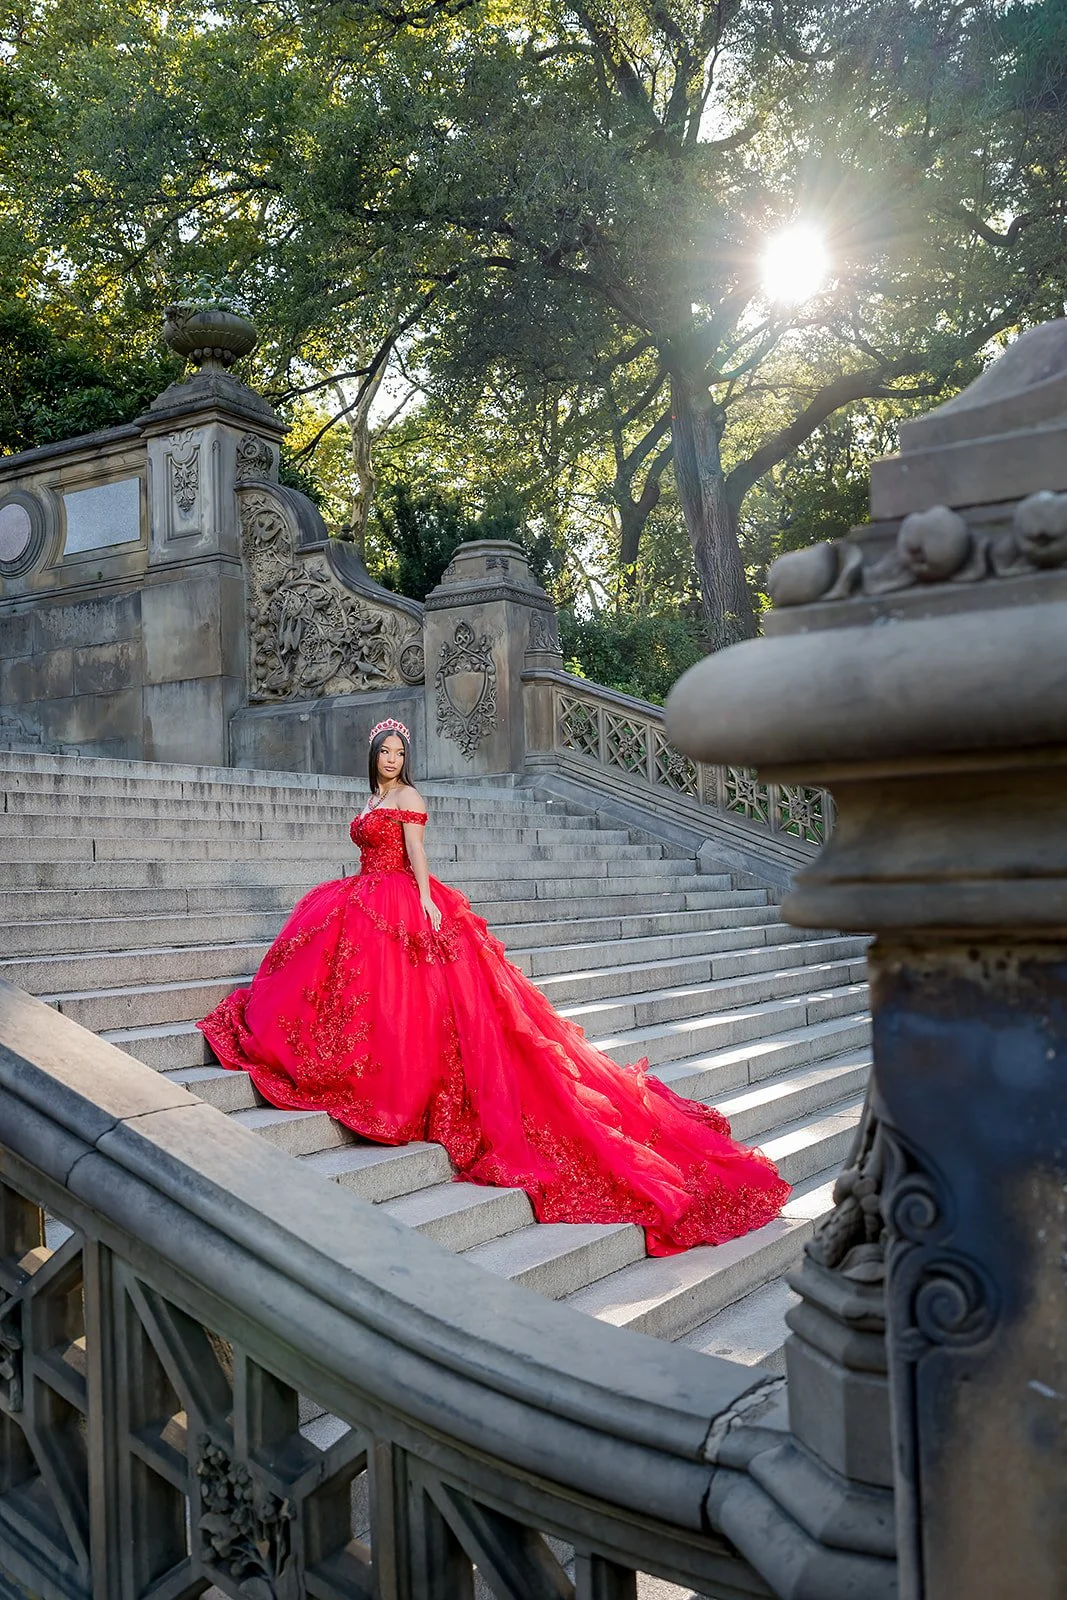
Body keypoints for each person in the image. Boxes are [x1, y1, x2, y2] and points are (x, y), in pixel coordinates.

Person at [199, 718, 789, 1256]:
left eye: (401, 753)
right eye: (386, 752)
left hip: (402, 900)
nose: (393, 760)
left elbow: (416, 854)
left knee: (415, 1002)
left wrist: (427, 903)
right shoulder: (374, 796)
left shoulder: (405, 797)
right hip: (363, 896)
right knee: (360, 995)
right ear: (374, 754)